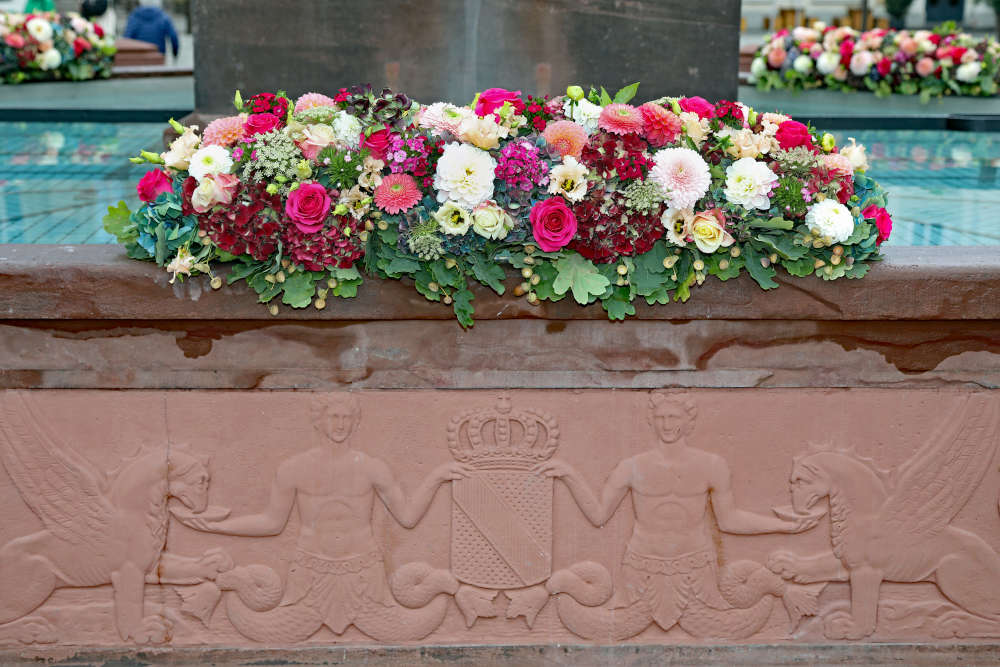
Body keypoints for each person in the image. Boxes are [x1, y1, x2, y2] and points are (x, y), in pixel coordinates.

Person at [177, 393, 472, 640]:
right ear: (319, 420)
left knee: (396, 629)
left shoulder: (372, 467)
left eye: (346, 418)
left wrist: (435, 477)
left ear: (356, 422)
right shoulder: (293, 468)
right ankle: (227, 585)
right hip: (309, 571)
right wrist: (218, 525)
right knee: (277, 630)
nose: (340, 424)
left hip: (364, 571)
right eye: (334, 416)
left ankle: (448, 587)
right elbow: (271, 522)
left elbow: (407, 517)